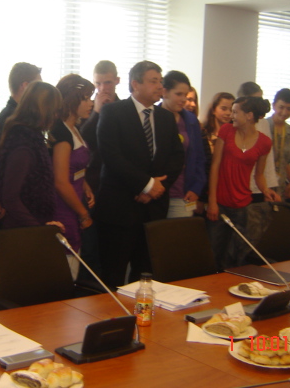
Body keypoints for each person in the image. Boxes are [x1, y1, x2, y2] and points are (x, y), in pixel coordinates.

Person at [93, 61, 184, 287]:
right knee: (113, 275)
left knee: (146, 275)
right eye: (154, 81)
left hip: (154, 209)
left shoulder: (165, 117)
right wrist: (146, 185)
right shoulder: (113, 112)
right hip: (119, 208)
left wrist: (157, 189)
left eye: (160, 81)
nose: (160, 86)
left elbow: (176, 157)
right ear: (135, 84)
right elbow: (111, 156)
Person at [206, 96, 276, 269]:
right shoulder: (226, 131)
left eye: (235, 112)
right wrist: (212, 201)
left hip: (243, 206)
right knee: (214, 253)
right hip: (220, 204)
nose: (231, 116)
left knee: (236, 256)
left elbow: (259, 175)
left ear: (249, 115)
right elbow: (215, 166)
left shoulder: (264, 142)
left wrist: (266, 190)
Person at [0, 81, 63, 230]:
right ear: (44, 110)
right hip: (21, 229)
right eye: (55, 111)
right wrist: (39, 229)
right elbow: (10, 197)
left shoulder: (31, 138)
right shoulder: (24, 145)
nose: (56, 116)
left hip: (30, 224)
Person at [78, 60, 120, 280]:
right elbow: (80, 142)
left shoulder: (125, 108)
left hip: (116, 188)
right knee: (90, 250)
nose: (103, 88)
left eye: (108, 83)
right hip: (91, 186)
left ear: (117, 81)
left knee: (111, 250)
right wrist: (96, 112)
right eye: (98, 83)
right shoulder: (86, 107)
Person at [51, 74, 95, 279]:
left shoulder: (74, 128)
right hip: (64, 209)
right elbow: (60, 181)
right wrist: (83, 213)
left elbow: (74, 167)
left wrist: (85, 185)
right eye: (85, 99)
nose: (91, 103)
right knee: (66, 270)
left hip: (74, 203)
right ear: (70, 100)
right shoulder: (61, 132)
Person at [160, 71, 206, 218]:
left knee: (179, 232)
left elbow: (199, 158)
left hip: (182, 193)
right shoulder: (152, 117)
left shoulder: (190, 120)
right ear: (164, 92)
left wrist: (196, 188)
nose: (183, 99)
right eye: (178, 94)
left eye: (185, 95)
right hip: (156, 192)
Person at [236, 81, 280, 203]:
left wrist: (269, 186)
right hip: (240, 184)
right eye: (256, 100)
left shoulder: (264, 123)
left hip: (260, 185)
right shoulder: (235, 121)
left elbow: (268, 157)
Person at [0, 62, 41, 151]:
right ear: (25, 86)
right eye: (38, 85)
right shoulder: (14, 119)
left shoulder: (19, 115)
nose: (41, 91)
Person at [267, 88, 290, 200]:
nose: (284, 112)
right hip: (264, 185)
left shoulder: (289, 130)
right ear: (274, 106)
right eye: (281, 107)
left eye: (289, 109)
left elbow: (285, 160)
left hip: (281, 185)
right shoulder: (264, 126)